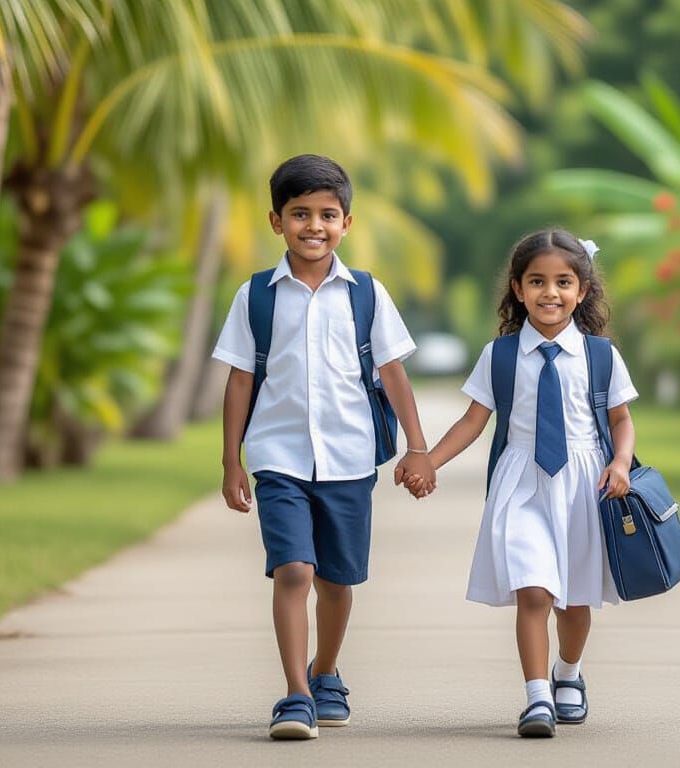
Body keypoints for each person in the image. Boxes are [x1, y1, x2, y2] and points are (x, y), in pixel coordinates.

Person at [212, 154, 437, 740]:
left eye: (327, 215)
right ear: (276, 220)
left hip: (348, 458)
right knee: (293, 570)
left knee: (336, 580)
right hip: (278, 458)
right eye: (300, 214)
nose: (314, 225)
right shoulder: (256, 295)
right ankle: (295, 694)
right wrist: (232, 459)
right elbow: (240, 379)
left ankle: (327, 671)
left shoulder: (364, 293)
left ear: (347, 223)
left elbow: (392, 372)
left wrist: (418, 447)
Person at [405, 228, 638, 738]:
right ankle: (537, 699)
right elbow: (473, 420)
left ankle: (568, 674)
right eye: (537, 281)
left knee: (575, 599)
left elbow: (621, 419)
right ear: (517, 288)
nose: (549, 292)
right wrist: (429, 461)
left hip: (584, 484)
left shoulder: (600, 355)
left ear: (582, 290)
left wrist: (621, 463)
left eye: (562, 282)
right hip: (522, 482)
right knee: (533, 591)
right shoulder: (501, 355)